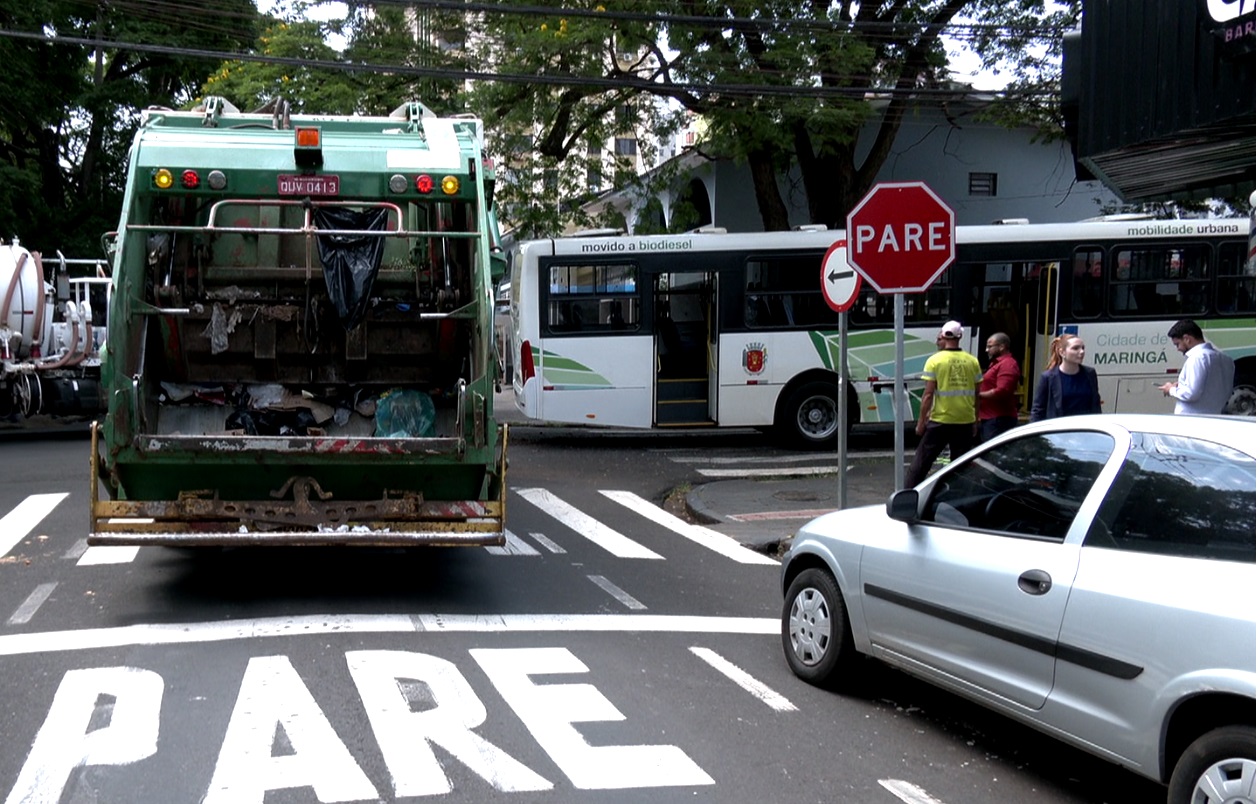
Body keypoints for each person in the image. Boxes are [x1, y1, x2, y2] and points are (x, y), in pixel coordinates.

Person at [904, 321, 982, 487]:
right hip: (965, 421)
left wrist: (921, 422)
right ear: (960, 336)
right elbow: (976, 395)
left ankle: (908, 495)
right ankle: (958, 497)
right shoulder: (972, 361)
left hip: (941, 420)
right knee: (961, 466)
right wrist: (976, 421)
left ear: (943, 336)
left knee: (921, 463)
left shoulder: (935, 361)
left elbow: (928, 395)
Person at [1158, 319, 1235, 414]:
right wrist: (1180, 386)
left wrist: (1170, 390)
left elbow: (1191, 393)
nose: (1178, 349)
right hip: (1215, 416)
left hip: (1192, 420)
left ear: (1187, 339)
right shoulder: (1226, 359)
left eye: (1177, 344)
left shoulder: (1196, 358)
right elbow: (1212, 387)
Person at [1029, 333, 1102, 421]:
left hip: (1085, 430)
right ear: (1062, 352)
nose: (1082, 351)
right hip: (1060, 431)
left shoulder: (1090, 373)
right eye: (1075, 348)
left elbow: (1096, 405)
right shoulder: (1048, 377)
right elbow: (1037, 411)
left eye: (1083, 348)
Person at [977, 332, 1021, 442]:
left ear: (1002, 347)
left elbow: (1002, 391)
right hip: (990, 418)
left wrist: (977, 395)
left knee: (993, 455)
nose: (987, 350)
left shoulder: (1007, 364)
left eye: (990, 346)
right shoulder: (996, 363)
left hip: (998, 419)